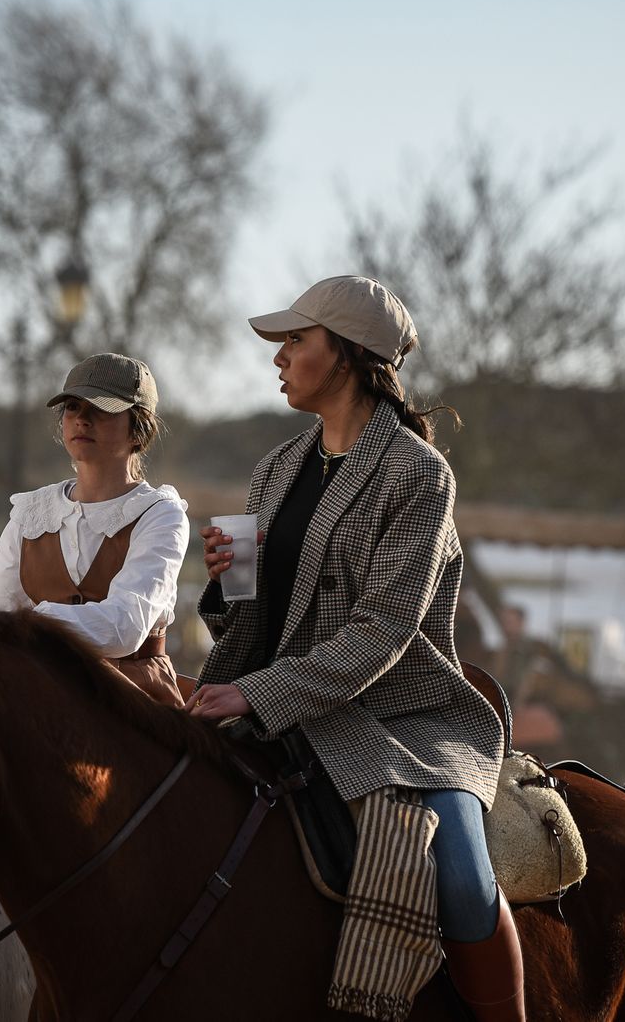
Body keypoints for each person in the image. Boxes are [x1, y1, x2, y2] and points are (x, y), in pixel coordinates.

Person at [189, 276, 522, 1021]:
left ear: (346, 355)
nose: (277, 358)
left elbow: (384, 631)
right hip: (284, 704)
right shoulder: (275, 469)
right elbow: (250, 626)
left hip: (404, 720)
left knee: (465, 882)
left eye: (295, 342)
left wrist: (255, 694)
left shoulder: (419, 474)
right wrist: (227, 582)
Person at [0, 353, 189, 708]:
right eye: (73, 407)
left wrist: (28, 622)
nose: (82, 420)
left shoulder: (160, 515)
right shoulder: (31, 514)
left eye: (101, 409)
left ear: (140, 429)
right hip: (40, 695)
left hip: (135, 708)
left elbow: (124, 627)